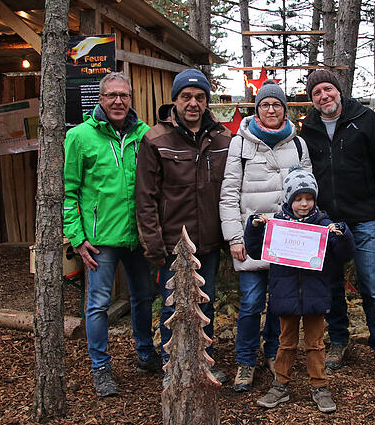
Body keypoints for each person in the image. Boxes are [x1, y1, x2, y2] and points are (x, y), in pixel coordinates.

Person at [300, 69, 375, 388]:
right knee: (331, 287)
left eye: (328, 89)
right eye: (316, 93)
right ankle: (340, 341)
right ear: (312, 99)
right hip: (326, 221)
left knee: (372, 288)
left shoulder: (364, 119)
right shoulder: (309, 128)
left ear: (338, 91)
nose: (323, 96)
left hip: (364, 219)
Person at [135, 68, 232, 385]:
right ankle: (171, 366)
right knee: (171, 306)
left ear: (207, 102)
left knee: (205, 303)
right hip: (174, 244)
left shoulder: (222, 138)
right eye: (186, 96)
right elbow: (145, 197)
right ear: (175, 99)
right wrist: (154, 244)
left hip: (209, 241)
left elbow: (232, 188)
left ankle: (203, 363)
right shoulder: (156, 139)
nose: (193, 103)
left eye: (200, 97)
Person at [63, 71, 157, 398]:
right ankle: (100, 366)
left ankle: (145, 354)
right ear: (100, 99)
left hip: (137, 236)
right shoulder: (80, 137)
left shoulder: (145, 135)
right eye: (112, 95)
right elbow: (68, 191)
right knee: (98, 303)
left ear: (131, 99)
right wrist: (76, 236)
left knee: (144, 297)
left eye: (124, 96)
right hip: (99, 240)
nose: (119, 101)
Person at [219, 82, 312, 392]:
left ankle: (273, 353)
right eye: (264, 105)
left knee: (279, 303)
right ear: (256, 109)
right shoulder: (240, 144)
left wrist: (308, 234)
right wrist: (234, 236)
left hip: (287, 240)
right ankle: (245, 361)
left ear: (285, 109)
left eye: (276, 105)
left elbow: (308, 193)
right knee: (251, 303)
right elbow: (229, 193)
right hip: (252, 238)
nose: (271, 110)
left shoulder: (298, 145)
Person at [246, 166, 355, 413]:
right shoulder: (277, 223)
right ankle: (280, 386)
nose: (303, 204)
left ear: (315, 199)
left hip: (316, 294)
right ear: (288, 199)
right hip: (286, 294)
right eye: (298, 198)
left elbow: (344, 255)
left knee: (316, 344)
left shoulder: (324, 224)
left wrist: (341, 233)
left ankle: (320, 387)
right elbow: (255, 251)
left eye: (308, 198)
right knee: (286, 343)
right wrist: (254, 227)